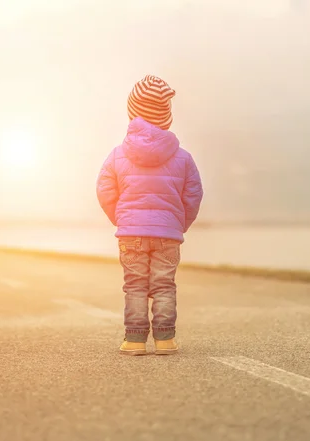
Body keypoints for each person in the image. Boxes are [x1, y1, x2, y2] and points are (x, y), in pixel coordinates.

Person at [96, 75, 204, 356]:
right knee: (164, 285)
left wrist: (122, 219)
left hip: (130, 234)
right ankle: (165, 340)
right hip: (168, 234)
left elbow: (104, 190)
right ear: (166, 116)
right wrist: (179, 224)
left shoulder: (118, 155)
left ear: (133, 113)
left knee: (135, 286)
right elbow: (193, 195)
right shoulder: (183, 157)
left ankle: (134, 341)